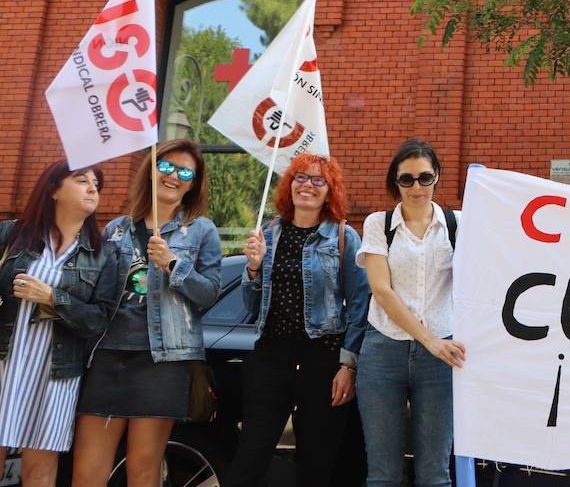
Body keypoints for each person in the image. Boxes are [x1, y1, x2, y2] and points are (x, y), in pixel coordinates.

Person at [72, 139, 223, 487]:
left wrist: (173, 264)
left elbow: (210, 293)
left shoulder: (201, 230)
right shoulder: (117, 228)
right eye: (166, 167)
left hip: (163, 361)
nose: (174, 176)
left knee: (142, 469)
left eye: (185, 171)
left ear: (193, 182)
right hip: (108, 355)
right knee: (87, 471)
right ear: (152, 171)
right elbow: (100, 293)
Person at [224, 153, 371, 487]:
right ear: (289, 184)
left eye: (319, 180)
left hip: (322, 360)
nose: (308, 185)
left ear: (329, 190)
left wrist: (348, 366)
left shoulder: (344, 238)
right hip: (270, 357)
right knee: (250, 456)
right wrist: (253, 268)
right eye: (301, 177)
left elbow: (360, 306)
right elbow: (251, 304)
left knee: (317, 463)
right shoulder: (268, 234)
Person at [356, 138, 476, 487]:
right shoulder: (378, 224)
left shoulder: (460, 224)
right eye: (406, 179)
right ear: (395, 181)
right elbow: (381, 290)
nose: (416, 187)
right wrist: (430, 341)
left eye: (424, 177)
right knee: (382, 473)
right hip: (384, 351)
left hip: (442, 356)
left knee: (435, 473)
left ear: (437, 175)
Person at [0, 160, 118, 487]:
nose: (93, 188)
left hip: (56, 372)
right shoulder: (11, 235)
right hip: (4, 363)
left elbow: (100, 321)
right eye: (82, 180)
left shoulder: (103, 254)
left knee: (39, 469)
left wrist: (53, 298)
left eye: (96, 183)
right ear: (54, 190)